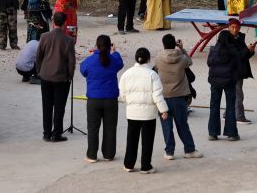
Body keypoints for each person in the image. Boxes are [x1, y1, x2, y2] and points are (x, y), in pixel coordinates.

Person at [119, 47, 168, 173]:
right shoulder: (152, 74)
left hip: (132, 112)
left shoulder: (127, 74)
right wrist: (163, 110)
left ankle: (129, 164)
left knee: (131, 139)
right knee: (147, 140)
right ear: (148, 59)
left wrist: (130, 102)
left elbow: (123, 94)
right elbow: (157, 95)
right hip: (148, 114)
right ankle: (145, 166)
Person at [156, 33, 202, 160]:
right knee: (182, 124)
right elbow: (190, 61)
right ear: (175, 44)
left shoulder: (159, 58)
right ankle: (189, 149)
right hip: (180, 96)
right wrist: (181, 48)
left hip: (163, 96)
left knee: (167, 126)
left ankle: (169, 151)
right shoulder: (182, 58)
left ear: (163, 44)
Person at [80, 34, 124, 162]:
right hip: (111, 99)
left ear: (96, 46)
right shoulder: (114, 59)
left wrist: (95, 53)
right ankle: (109, 154)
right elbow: (119, 64)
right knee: (110, 127)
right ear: (109, 46)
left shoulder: (90, 60)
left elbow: (83, 71)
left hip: (94, 99)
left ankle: (92, 154)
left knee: (93, 128)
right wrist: (115, 52)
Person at [36, 11, 76, 142]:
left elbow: (39, 56)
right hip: (61, 77)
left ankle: (46, 133)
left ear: (53, 22)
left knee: (46, 106)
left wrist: (40, 71)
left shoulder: (44, 36)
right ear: (65, 23)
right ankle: (56, 133)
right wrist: (70, 75)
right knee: (59, 107)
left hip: (45, 75)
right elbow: (71, 61)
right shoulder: (69, 40)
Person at [206, 29, 241, 141]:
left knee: (214, 105)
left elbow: (209, 63)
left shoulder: (213, 50)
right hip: (229, 81)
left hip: (214, 81)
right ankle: (231, 133)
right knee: (230, 106)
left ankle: (213, 133)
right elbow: (238, 66)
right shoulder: (233, 51)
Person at [227, 17, 256, 125]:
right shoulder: (226, 39)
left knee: (233, 94)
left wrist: (251, 51)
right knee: (238, 94)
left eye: (237, 28)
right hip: (232, 71)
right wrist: (246, 51)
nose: (235, 30)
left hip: (239, 70)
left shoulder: (240, 38)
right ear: (228, 28)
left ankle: (227, 114)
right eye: (233, 27)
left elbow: (244, 56)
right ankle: (239, 116)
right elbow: (236, 56)